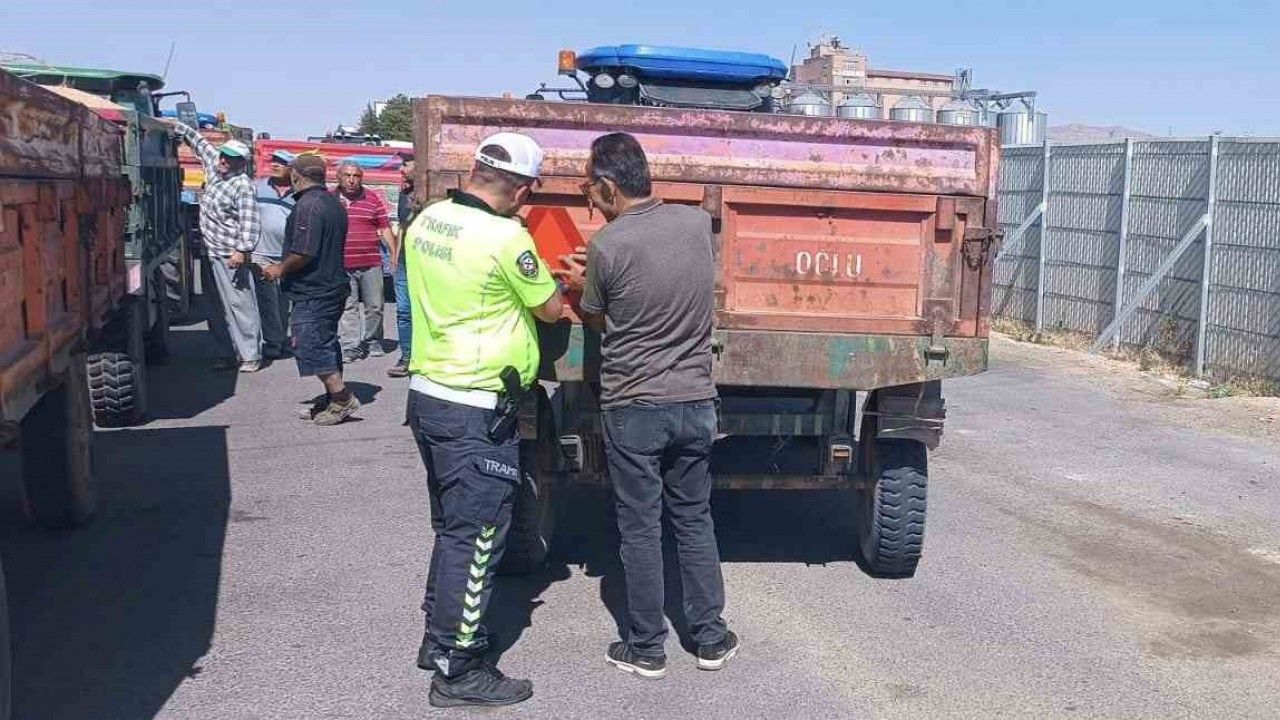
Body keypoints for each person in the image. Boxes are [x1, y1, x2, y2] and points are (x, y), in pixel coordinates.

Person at [557, 133, 738, 680]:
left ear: (609, 186)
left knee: (639, 527)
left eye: (590, 187)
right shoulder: (694, 225)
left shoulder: (610, 245)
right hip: (694, 400)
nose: (590, 196)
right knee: (694, 519)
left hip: (634, 403)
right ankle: (709, 637)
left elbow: (598, 318)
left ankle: (646, 647)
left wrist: (579, 281)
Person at [403, 133, 563, 708]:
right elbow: (548, 306)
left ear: (475, 168)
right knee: (479, 537)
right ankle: (457, 667)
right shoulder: (506, 237)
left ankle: (439, 638)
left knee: (452, 528)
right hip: (475, 405)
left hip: (430, 397)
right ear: (522, 188)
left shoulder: (427, 220)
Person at [261, 155, 361, 426]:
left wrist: (280, 268)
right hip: (331, 285)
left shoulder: (308, 205)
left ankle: (342, 398)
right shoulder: (332, 202)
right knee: (326, 342)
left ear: (295, 175)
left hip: (315, 289)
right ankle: (331, 397)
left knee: (309, 343)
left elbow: (304, 252)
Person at [168, 120, 264, 372]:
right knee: (215, 306)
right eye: (223, 155)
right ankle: (226, 352)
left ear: (241, 163)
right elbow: (199, 143)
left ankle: (251, 355)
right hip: (209, 250)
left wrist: (242, 250)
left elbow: (250, 221)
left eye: (230, 159)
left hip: (229, 253)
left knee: (239, 304)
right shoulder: (214, 166)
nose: (223, 160)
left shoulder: (242, 185)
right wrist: (175, 126)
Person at [335, 161, 398, 363]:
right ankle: (351, 346)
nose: (352, 180)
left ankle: (372, 341)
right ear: (339, 177)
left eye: (356, 176)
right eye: (347, 175)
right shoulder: (330, 199)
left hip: (371, 262)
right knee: (348, 306)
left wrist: (394, 253)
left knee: (375, 306)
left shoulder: (372, 198)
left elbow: (385, 228)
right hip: (341, 264)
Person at [252, 148, 296, 359]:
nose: (276, 165)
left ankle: (280, 339)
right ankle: (273, 344)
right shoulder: (258, 188)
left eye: (282, 162)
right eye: (274, 161)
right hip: (262, 254)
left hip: (288, 256)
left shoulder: (298, 192)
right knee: (268, 302)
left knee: (284, 301)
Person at [387, 152, 417, 378]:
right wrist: (395, 255)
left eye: (406, 164)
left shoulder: (434, 195)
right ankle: (407, 356)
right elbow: (403, 226)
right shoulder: (404, 193)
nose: (402, 169)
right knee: (404, 311)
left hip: (427, 261)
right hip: (405, 260)